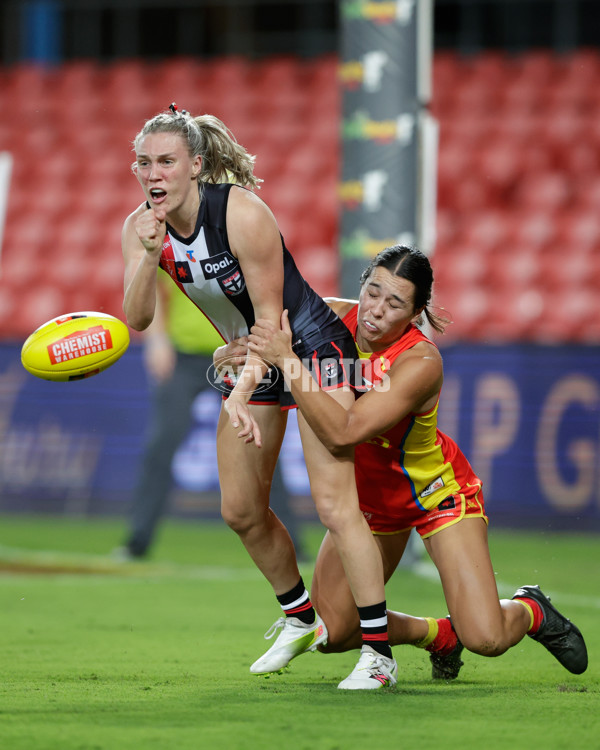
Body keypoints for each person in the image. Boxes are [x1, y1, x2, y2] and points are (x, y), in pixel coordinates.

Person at [121, 104, 394, 690]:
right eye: (143, 163)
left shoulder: (241, 213)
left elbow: (274, 323)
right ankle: (299, 618)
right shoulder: (140, 228)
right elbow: (138, 318)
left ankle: (378, 654)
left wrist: (239, 395)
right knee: (240, 510)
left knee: (334, 505)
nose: (153, 174)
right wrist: (148, 257)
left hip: (310, 348)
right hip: (250, 357)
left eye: (166, 162)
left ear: (196, 165)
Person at [243, 244, 587, 683]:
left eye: (395, 303)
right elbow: (258, 347)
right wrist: (236, 357)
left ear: (416, 312)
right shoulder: (328, 319)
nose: (376, 311)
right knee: (332, 632)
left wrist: (289, 361)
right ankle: (437, 635)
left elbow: (344, 430)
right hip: (369, 506)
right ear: (362, 285)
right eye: (372, 292)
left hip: (434, 493)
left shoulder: (420, 361)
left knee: (486, 637)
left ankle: (531, 610)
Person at [116, 269, 306, 561]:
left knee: (264, 449)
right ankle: (137, 541)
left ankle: (292, 543)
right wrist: (157, 340)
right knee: (161, 448)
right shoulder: (178, 246)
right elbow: (150, 289)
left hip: (239, 355)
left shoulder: (232, 238)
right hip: (185, 356)